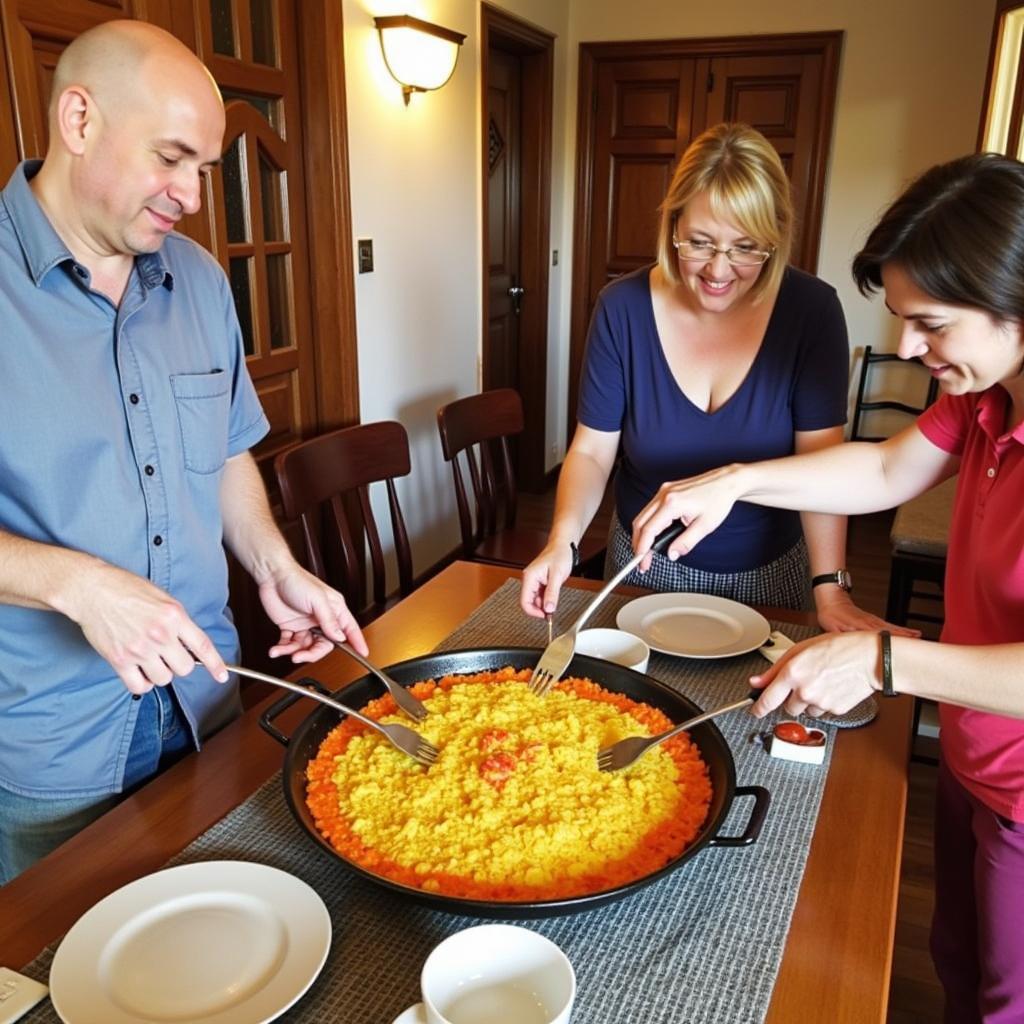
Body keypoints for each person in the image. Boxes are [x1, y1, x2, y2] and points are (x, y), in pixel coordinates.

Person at [632, 152, 1024, 1023]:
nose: (908, 351)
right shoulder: (984, 396)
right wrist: (732, 480)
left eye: (932, 325)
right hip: (975, 754)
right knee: (958, 965)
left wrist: (882, 660)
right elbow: (883, 467)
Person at [0, 20, 368, 884]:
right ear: (79, 120)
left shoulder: (199, 279)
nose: (193, 195)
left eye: (203, 167)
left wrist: (275, 567)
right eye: (171, 158)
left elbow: (229, 452)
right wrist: (78, 586)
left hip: (213, 704)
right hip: (58, 749)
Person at [520, 123, 902, 636]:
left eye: (746, 248)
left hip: (769, 574)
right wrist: (561, 540)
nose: (719, 270)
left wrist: (830, 588)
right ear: (672, 226)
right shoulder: (622, 307)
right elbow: (592, 451)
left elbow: (822, 462)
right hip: (642, 568)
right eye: (699, 243)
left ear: (775, 239)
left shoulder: (812, 310)